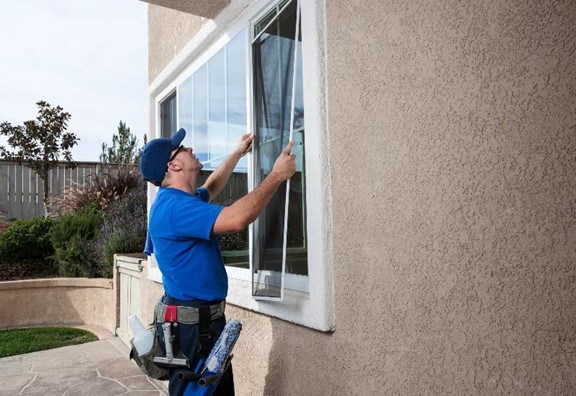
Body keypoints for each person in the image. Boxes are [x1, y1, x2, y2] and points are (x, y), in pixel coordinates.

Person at [139, 128, 296, 396]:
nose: (190, 149)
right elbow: (237, 219)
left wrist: (236, 154)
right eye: (183, 149)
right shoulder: (175, 209)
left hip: (203, 326)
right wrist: (277, 175)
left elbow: (211, 187)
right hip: (192, 332)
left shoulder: (182, 199)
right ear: (174, 164)